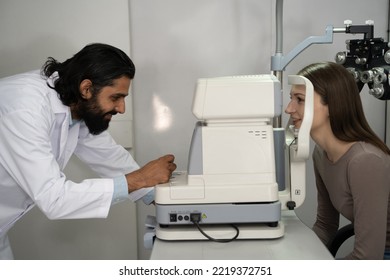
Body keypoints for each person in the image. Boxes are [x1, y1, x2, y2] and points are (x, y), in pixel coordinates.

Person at [0, 43, 177, 259]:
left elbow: (108, 155)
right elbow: (54, 198)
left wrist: (159, 194)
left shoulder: (74, 106)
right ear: (86, 88)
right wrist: (138, 180)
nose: (121, 108)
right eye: (116, 97)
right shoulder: (25, 109)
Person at [285, 61, 390, 259]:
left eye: (300, 99)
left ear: (332, 105)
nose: (289, 109)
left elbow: (368, 258)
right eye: (291, 98)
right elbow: (326, 225)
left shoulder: (365, 161)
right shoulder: (320, 153)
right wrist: (298, 257)